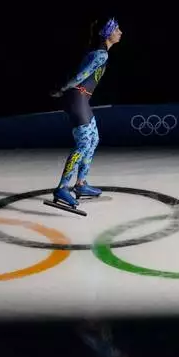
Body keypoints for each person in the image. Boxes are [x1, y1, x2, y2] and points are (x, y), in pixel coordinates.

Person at [46, 18, 122, 215]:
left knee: (93, 139)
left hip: (82, 100)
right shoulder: (101, 55)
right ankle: (62, 188)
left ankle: (80, 184)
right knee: (82, 144)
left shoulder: (100, 53)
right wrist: (62, 88)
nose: (120, 32)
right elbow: (81, 75)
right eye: (117, 29)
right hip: (77, 100)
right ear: (108, 34)